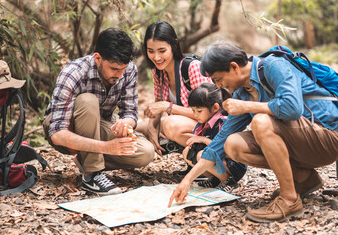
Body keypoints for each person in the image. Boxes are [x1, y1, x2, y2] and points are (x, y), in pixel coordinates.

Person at [169, 40, 338, 223]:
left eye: (218, 79)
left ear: (234, 67)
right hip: (304, 142)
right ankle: (304, 179)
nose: (219, 86)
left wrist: (247, 106)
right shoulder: (243, 92)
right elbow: (220, 140)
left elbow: (293, 108)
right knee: (233, 144)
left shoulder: (274, 65)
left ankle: (289, 199)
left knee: (261, 121)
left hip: (327, 137)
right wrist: (187, 180)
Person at [43, 28, 155, 196]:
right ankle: (92, 174)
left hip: (100, 127)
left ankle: (89, 159)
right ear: (98, 58)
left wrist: (124, 124)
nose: (120, 74)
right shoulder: (74, 73)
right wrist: (106, 147)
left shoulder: (128, 69)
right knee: (87, 101)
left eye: (123, 69)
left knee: (145, 153)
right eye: (114, 69)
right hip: (65, 127)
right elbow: (57, 134)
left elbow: (130, 113)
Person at [137, 21, 212, 166]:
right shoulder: (158, 71)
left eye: (162, 51)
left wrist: (168, 106)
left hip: (209, 127)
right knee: (139, 126)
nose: (156, 58)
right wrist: (153, 127)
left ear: (174, 45)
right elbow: (157, 105)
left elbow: (207, 112)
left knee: (170, 124)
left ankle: (205, 159)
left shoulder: (192, 67)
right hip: (186, 123)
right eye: (151, 51)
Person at [182, 83, 246, 192]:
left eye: (199, 111)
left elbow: (225, 150)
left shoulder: (223, 123)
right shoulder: (202, 125)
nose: (196, 115)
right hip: (218, 162)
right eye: (193, 111)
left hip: (232, 165)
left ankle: (230, 181)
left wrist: (203, 140)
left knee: (201, 155)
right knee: (187, 152)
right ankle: (215, 179)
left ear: (215, 107)